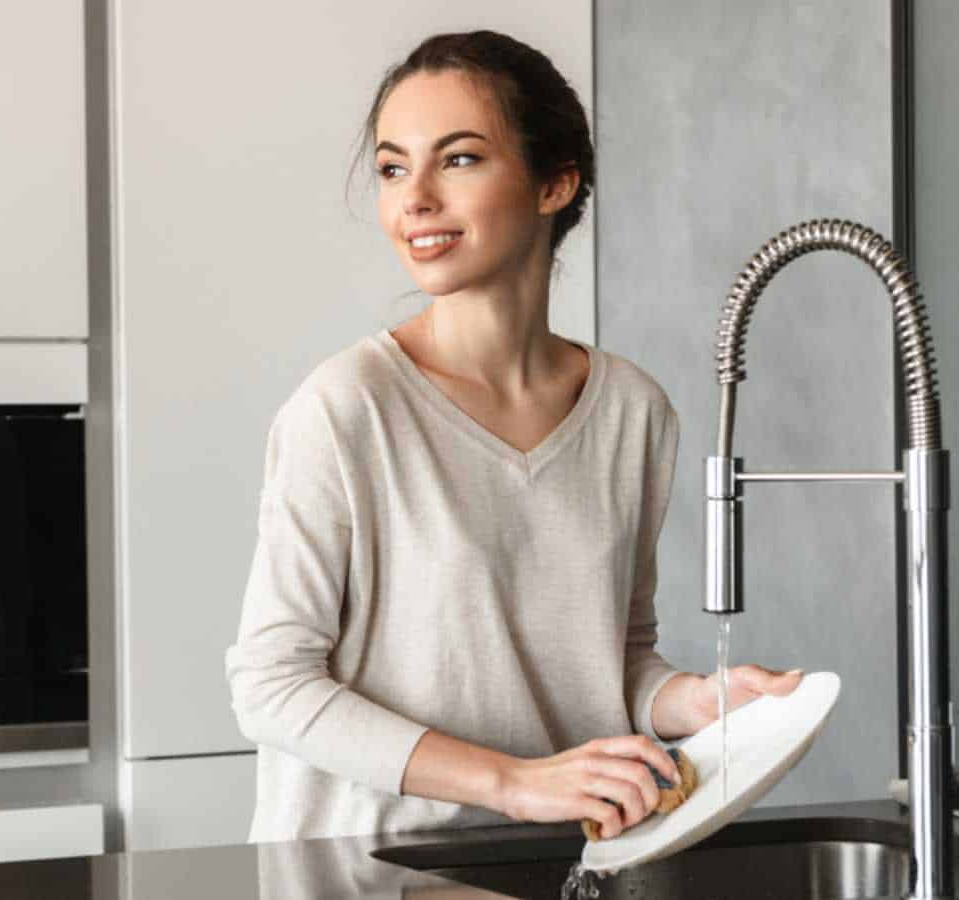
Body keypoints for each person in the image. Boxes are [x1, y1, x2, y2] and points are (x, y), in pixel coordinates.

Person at [224, 30, 803, 844]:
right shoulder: (347, 409)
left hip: (554, 860)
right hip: (363, 869)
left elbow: (614, 656)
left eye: (457, 159)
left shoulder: (634, 412)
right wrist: (513, 783)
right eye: (394, 168)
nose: (413, 199)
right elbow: (271, 687)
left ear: (554, 183)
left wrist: (694, 702)